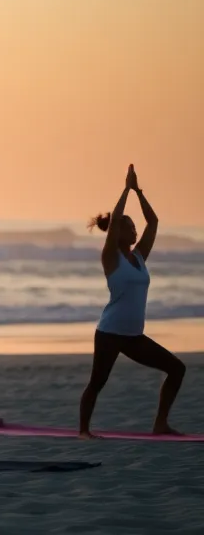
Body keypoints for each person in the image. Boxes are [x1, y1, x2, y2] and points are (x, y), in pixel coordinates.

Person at [79, 164, 186, 437]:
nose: (136, 231)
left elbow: (154, 222)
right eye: (131, 227)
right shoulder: (111, 257)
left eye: (134, 228)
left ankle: (160, 424)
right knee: (97, 382)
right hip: (110, 333)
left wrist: (139, 191)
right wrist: (125, 188)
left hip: (133, 336)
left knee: (176, 369)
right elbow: (115, 220)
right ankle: (83, 431)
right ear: (119, 233)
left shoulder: (138, 257)